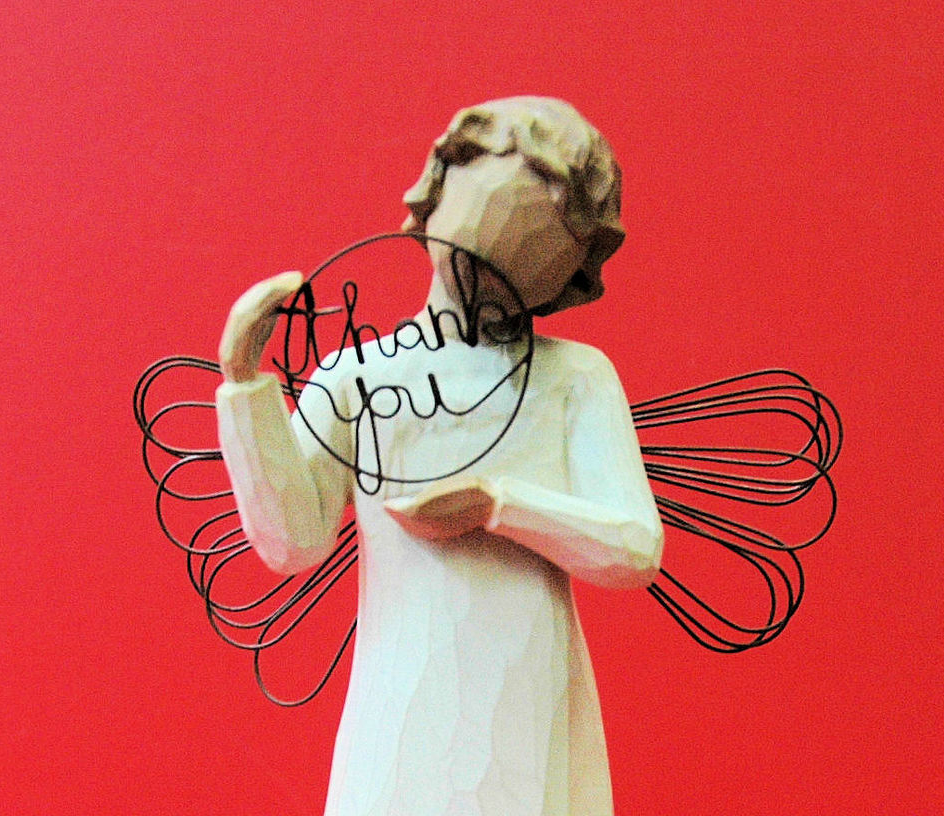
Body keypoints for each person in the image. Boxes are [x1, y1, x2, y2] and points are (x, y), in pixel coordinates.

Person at [216, 96, 663, 816]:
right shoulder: (355, 378)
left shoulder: (575, 377)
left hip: (529, 699)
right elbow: (293, 540)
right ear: (435, 188)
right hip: (403, 700)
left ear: (572, 270)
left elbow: (635, 546)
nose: (498, 276)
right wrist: (245, 387)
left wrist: (496, 505)